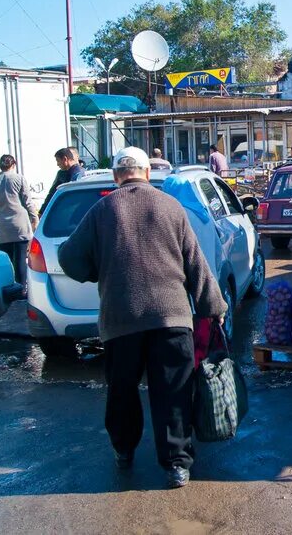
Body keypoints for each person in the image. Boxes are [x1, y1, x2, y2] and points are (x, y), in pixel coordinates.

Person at [58, 147, 226, 489]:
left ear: (116, 176)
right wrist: (213, 307)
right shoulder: (171, 207)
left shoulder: (102, 209)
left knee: (122, 391)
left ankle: (124, 450)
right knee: (173, 392)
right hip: (171, 317)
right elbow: (195, 262)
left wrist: (98, 271)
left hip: (121, 318)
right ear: (147, 173)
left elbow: (69, 259)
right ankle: (177, 465)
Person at [0, 154, 38, 293]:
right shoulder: (19, 179)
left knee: (8, 259)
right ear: (13, 165)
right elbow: (28, 201)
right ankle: (22, 290)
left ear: (0, 166)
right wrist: (34, 218)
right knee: (21, 258)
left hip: (3, 225)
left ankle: (9, 290)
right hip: (20, 222)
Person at [41, 147, 86, 213]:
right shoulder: (78, 172)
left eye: (58, 161)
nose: (57, 164)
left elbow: (72, 198)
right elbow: (52, 193)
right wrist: (42, 211)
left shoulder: (77, 176)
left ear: (65, 159)